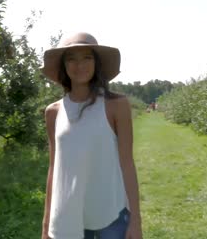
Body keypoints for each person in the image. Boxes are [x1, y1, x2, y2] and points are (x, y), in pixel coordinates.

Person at [41, 32, 143, 239]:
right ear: (64, 66)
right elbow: (54, 168)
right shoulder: (53, 112)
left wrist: (136, 221)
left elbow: (127, 164)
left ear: (96, 62)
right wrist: (45, 224)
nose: (79, 65)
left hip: (111, 214)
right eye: (71, 58)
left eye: (86, 57)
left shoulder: (116, 106)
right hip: (67, 215)